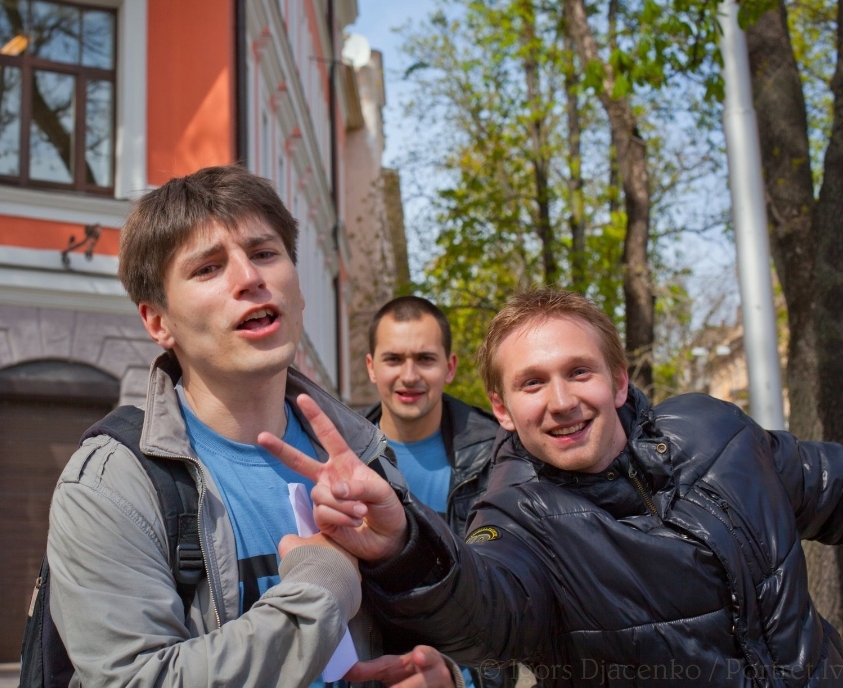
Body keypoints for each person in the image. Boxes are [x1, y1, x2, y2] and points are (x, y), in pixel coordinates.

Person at [261, 288, 843, 687]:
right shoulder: (515, 517)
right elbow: (484, 608)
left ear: (618, 381)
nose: (561, 401)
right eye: (533, 383)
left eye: (578, 371)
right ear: (504, 409)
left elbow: (826, 483)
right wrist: (403, 546)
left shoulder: (718, 431)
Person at [46, 165, 444, 688]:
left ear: (298, 291)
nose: (250, 278)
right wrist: (320, 589)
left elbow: (455, 631)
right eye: (208, 268)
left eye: (264, 253)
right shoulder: (109, 486)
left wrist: (444, 670)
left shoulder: (367, 455)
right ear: (158, 321)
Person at [364, 296, 506, 688]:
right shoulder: (339, 456)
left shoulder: (499, 457)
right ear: (372, 367)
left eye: (425, 359)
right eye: (394, 359)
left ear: (450, 367)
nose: (409, 375)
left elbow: (508, 597)